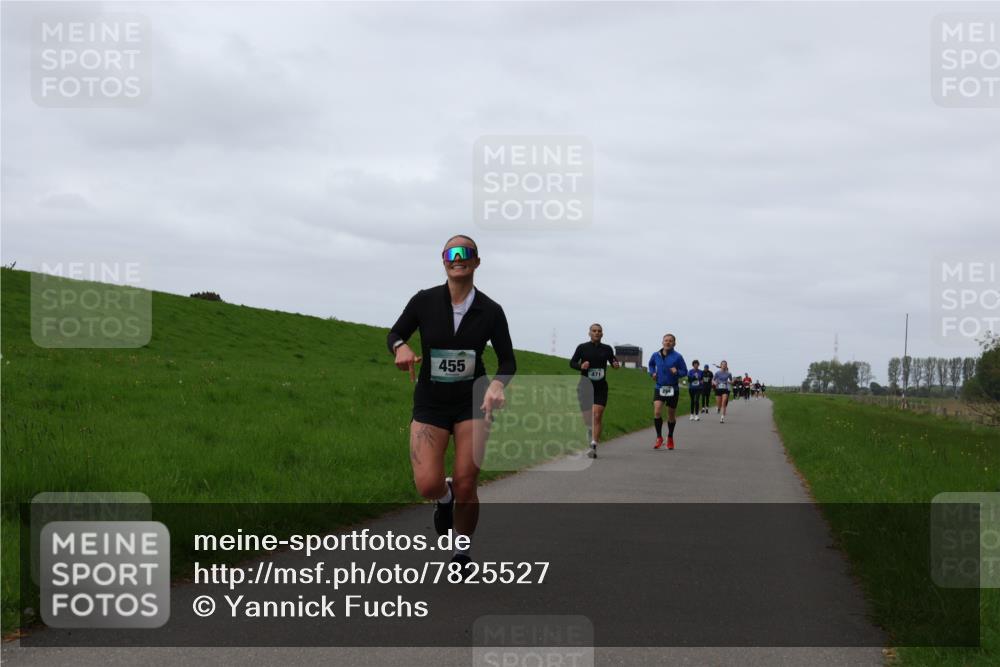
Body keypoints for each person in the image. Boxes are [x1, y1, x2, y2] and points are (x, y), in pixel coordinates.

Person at [387, 235, 515, 570]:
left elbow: (507, 361)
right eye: (451, 253)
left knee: (466, 480)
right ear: (443, 260)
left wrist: (498, 386)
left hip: (474, 401)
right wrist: (400, 346)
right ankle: (443, 498)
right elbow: (394, 333)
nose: (457, 258)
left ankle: (462, 553)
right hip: (431, 401)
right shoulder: (424, 301)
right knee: (428, 483)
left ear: (476, 261)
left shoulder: (491, 310)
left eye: (465, 253)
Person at [569, 323, 620, 459]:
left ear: (602, 334)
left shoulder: (607, 349)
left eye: (599, 331)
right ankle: (590, 434)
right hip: (585, 386)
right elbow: (572, 363)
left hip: (600, 387)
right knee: (587, 419)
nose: (597, 333)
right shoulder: (582, 347)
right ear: (589, 333)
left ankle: (593, 446)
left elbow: (614, 362)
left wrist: (615, 365)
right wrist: (581, 366)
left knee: (597, 415)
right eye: (594, 331)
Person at [648, 334, 688, 450]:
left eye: (670, 341)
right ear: (662, 342)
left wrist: (677, 372)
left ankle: (670, 437)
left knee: (671, 415)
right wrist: (652, 373)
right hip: (659, 387)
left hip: (673, 389)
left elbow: (684, 371)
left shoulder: (678, 357)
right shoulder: (656, 355)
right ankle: (659, 437)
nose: (668, 342)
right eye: (666, 340)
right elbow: (651, 365)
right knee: (657, 412)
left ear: (674, 343)